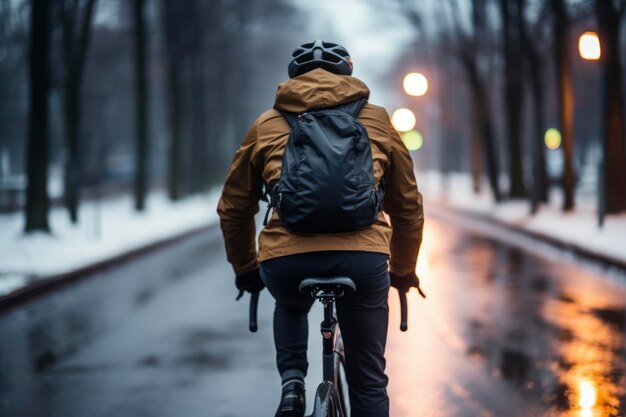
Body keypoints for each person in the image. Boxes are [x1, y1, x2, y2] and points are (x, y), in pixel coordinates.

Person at [217, 40, 424, 417]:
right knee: (368, 381)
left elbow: (233, 207)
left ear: (293, 78)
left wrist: (246, 269)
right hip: (362, 262)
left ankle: (293, 384)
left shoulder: (266, 124)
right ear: (347, 74)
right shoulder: (377, 120)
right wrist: (404, 269)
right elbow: (407, 205)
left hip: (287, 261)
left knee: (291, 302)